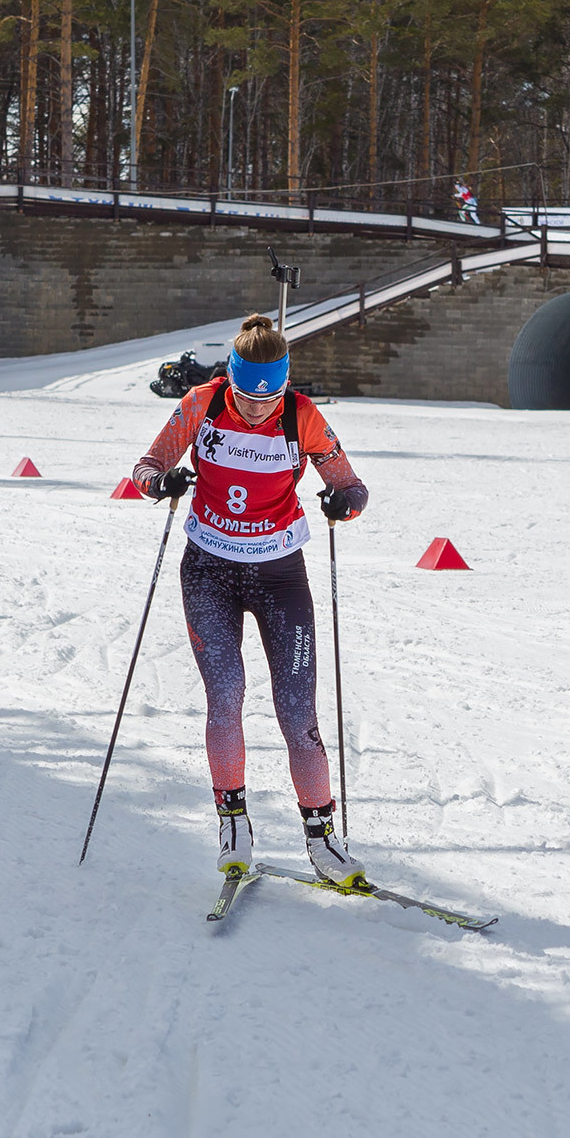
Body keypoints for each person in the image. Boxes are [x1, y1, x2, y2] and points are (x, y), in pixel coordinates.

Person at [130, 313, 371, 885]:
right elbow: (146, 467)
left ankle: (322, 840)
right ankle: (233, 824)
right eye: (246, 398)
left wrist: (345, 504)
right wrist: (160, 483)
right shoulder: (201, 404)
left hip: (280, 574)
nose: (259, 409)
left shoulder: (301, 415)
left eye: (269, 399)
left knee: (297, 712)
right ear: (230, 381)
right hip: (208, 570)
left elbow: (352, 487)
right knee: (226, 696)